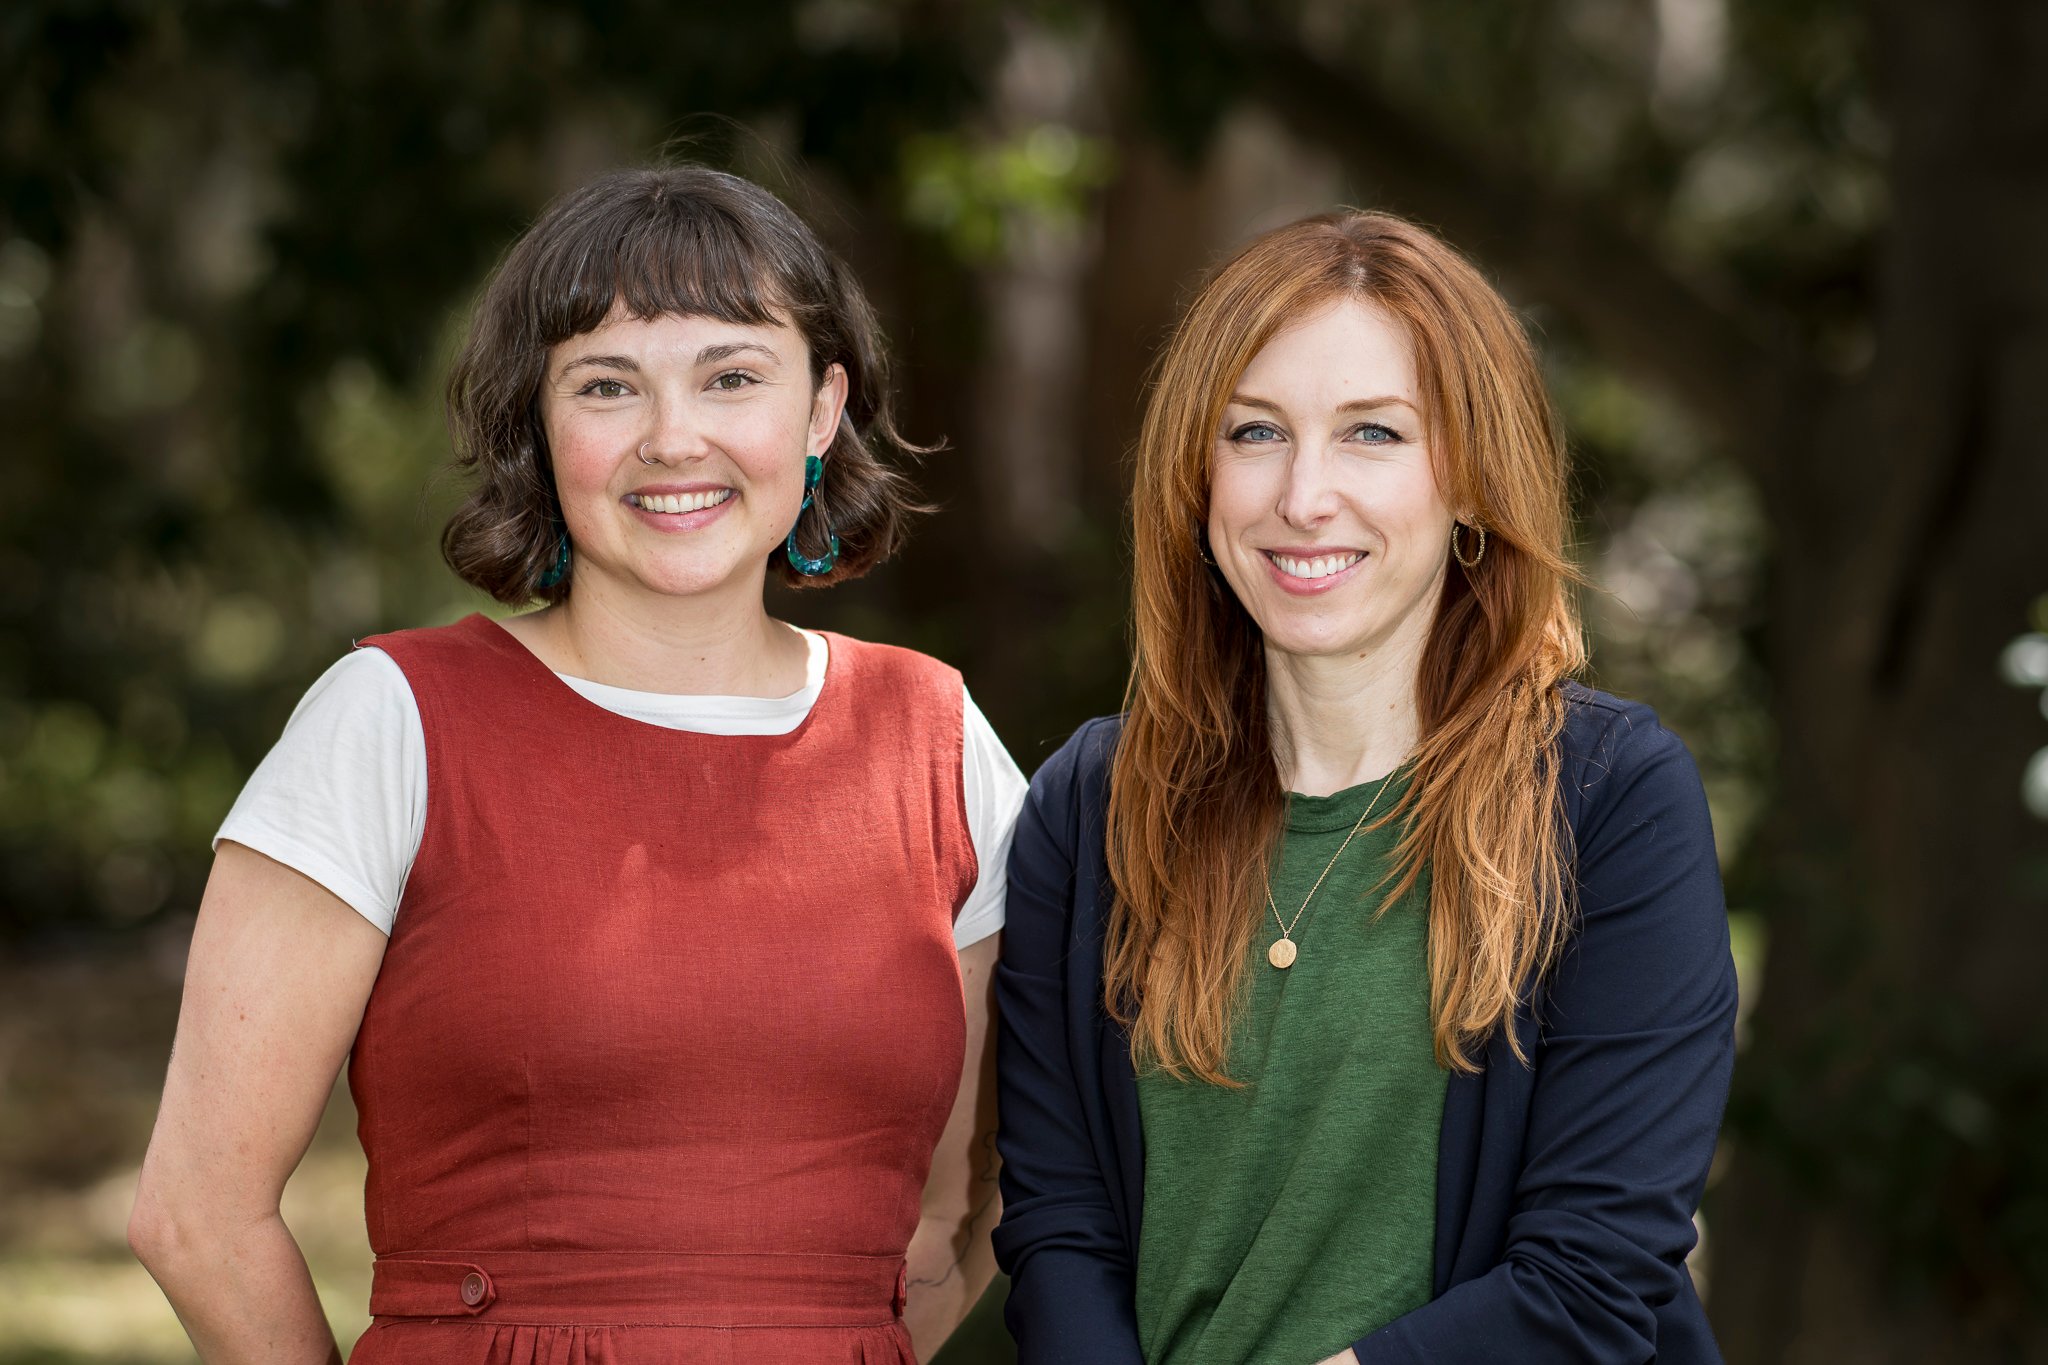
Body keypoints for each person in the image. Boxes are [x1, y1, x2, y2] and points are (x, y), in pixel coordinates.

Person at [129, 165, 1025, 1365]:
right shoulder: (392, 721)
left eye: (731, 377)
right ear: (539, 428)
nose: (672, 439)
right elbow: (198, 1216)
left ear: (821, 412)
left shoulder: (934, 739)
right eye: (607, 385)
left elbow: (966, 1210)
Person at [992, 210, 1737, 1364]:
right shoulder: (1091, 807)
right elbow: (1059, 1231)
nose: (1303, 496)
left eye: (1371, 434)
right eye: (1254, 432)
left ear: (1471, 481)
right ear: (1195, 476)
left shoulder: (1606, 798)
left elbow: (1591, 1276)